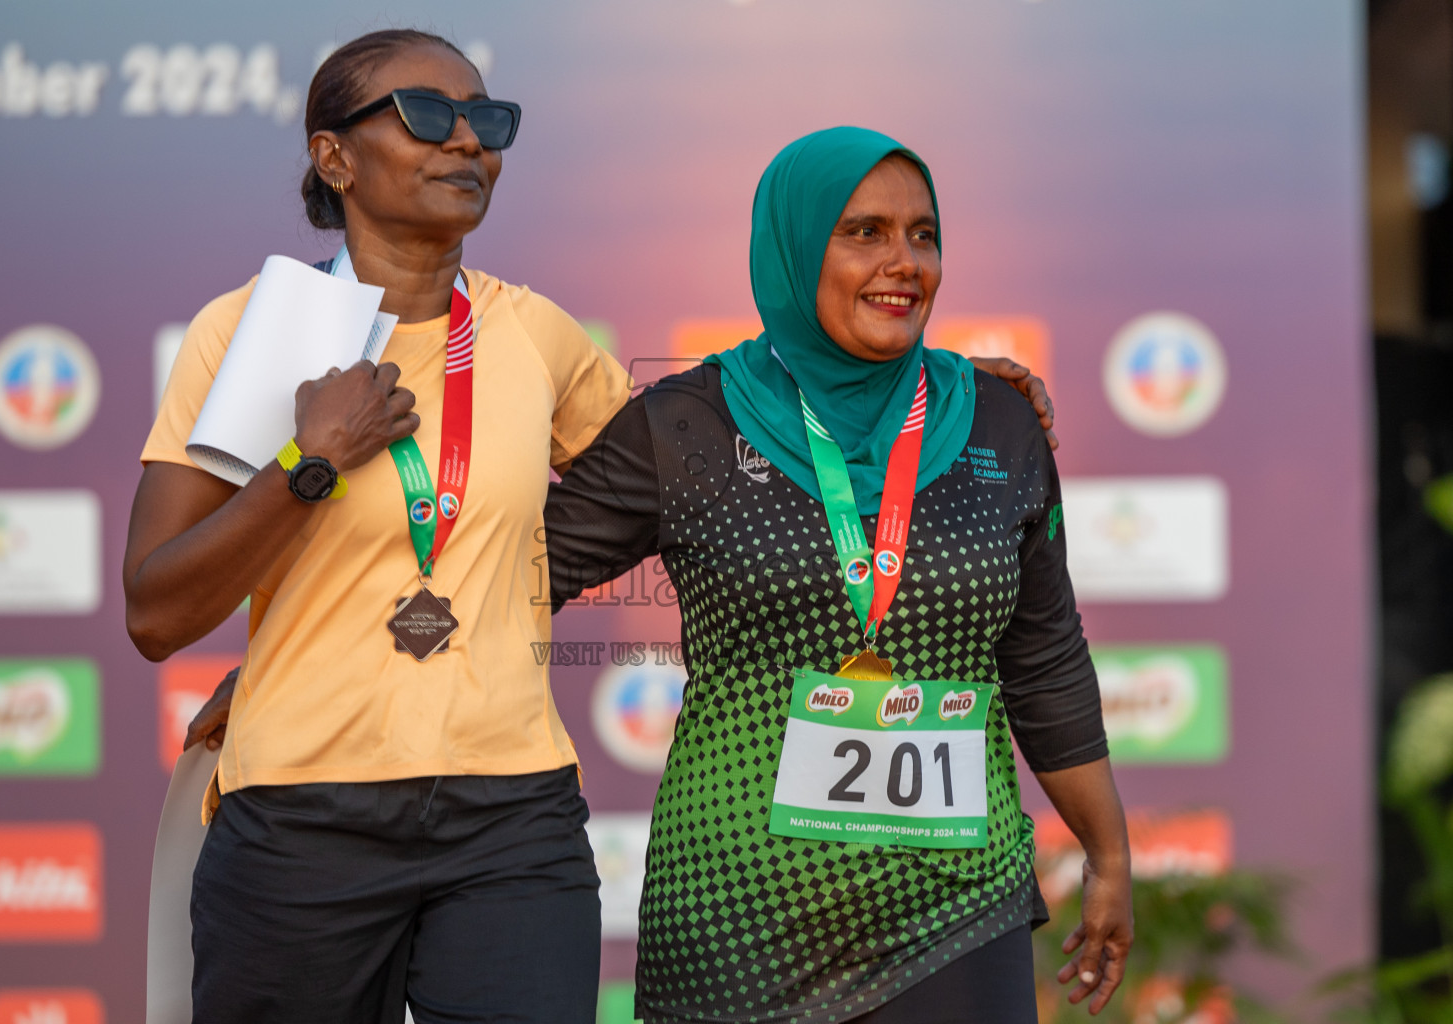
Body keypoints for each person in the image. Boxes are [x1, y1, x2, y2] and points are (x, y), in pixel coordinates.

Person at [142, 29, 1059, 1024]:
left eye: (488, 123)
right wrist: (307, 465)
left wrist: (940, 391)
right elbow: (158, 608)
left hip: (510, 813)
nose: (466, 143)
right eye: (428, 117)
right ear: (335, 158)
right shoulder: (262, 333)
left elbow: (715, 447)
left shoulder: (531, 332)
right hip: (300, 811)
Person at [539, 128, 1133, 1024]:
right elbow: (505, 581)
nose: (905, 263)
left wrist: (1109, 855)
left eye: (923, 235)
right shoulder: (688, 426)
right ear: (793, 245)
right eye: (864, 233)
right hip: (736, 913)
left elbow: (1045, 654)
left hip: (957, 907)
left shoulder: (1000, 422)